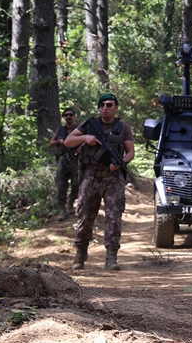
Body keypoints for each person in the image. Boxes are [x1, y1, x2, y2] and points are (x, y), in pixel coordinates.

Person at [64, 93, 135, 271]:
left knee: (114, 217)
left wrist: (120, 163)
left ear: (116, 107)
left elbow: (130, 152)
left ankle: (111, 257)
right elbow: (68, 141)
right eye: (102, 104)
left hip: (113, 179)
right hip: (91, 177)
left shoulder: (123, 127)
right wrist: (84, 138)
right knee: (85, 216)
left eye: (109, 104)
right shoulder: (89, 125)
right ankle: (80, 254)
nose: (105, 107)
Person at [48, 107, 81, 221]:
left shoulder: (78, 129)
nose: (68, 117)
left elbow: (86, 141)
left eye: (70, 114)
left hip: (76, 160)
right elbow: (51, 143)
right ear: (63, 117)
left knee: (77, 184)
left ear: (74, 116)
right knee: (61, 185)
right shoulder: (60, 130)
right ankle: (62, 210)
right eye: (66, 115)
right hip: (63, 160)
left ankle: (71, 201)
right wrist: (59, 141)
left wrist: (79, 148)